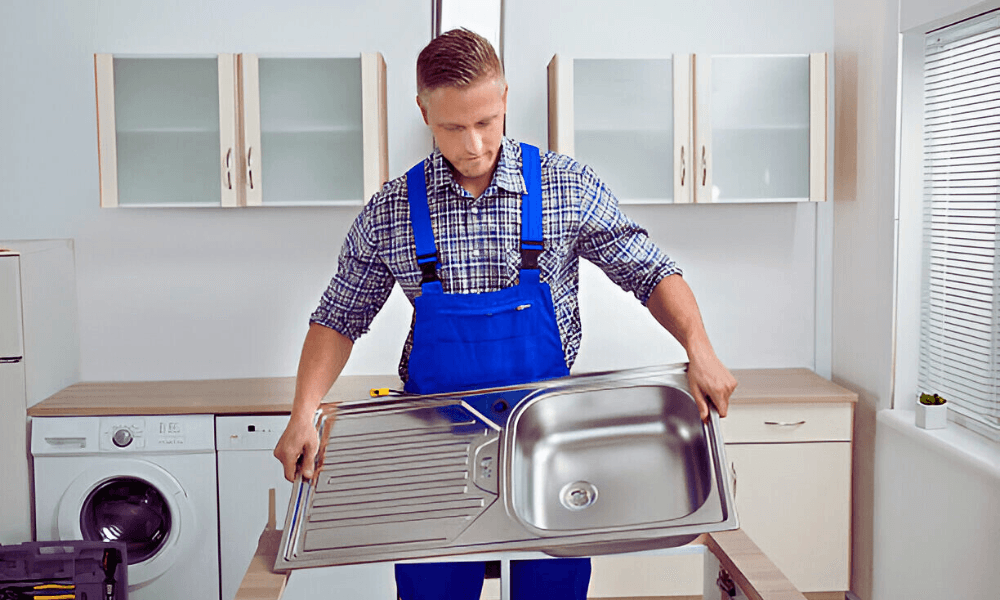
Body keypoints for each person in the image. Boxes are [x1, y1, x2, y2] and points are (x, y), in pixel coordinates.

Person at [273, 27, 737, 600]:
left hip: (549, 440)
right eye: (452, 127)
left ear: (505, 99)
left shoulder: (566, 186)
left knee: (552, 592)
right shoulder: (392, 208)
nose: (473, 143)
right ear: (423, 111)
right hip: (438, 445)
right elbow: (340, 316)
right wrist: (303, 411)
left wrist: (702, 350)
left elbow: (650, 271)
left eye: (486, 122)